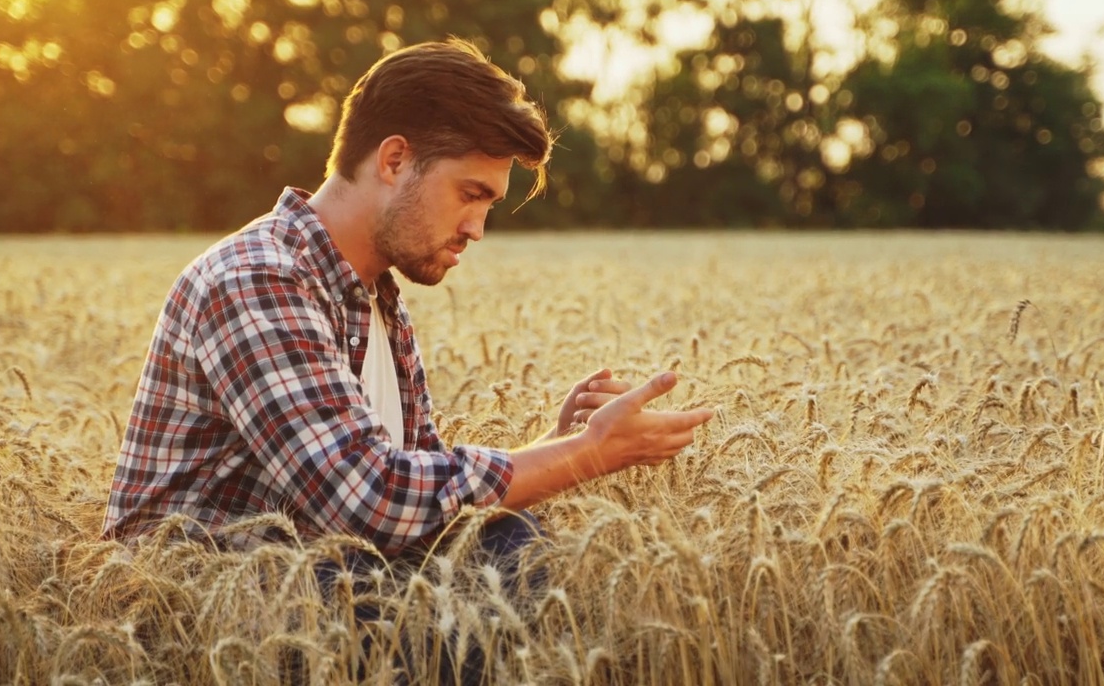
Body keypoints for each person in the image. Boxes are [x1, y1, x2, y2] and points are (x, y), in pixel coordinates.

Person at [103, 38, 712, 571]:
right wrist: (588, 453)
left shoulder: (377, 299)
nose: (476, 229)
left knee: (501, 545)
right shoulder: (257, 279)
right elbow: (368, 501)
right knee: (493, 562)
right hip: (201, 623)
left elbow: (425, 491)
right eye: (469, 194)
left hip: (319, 593)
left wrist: (557, 441)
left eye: (489, 206)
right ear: (394, 160)